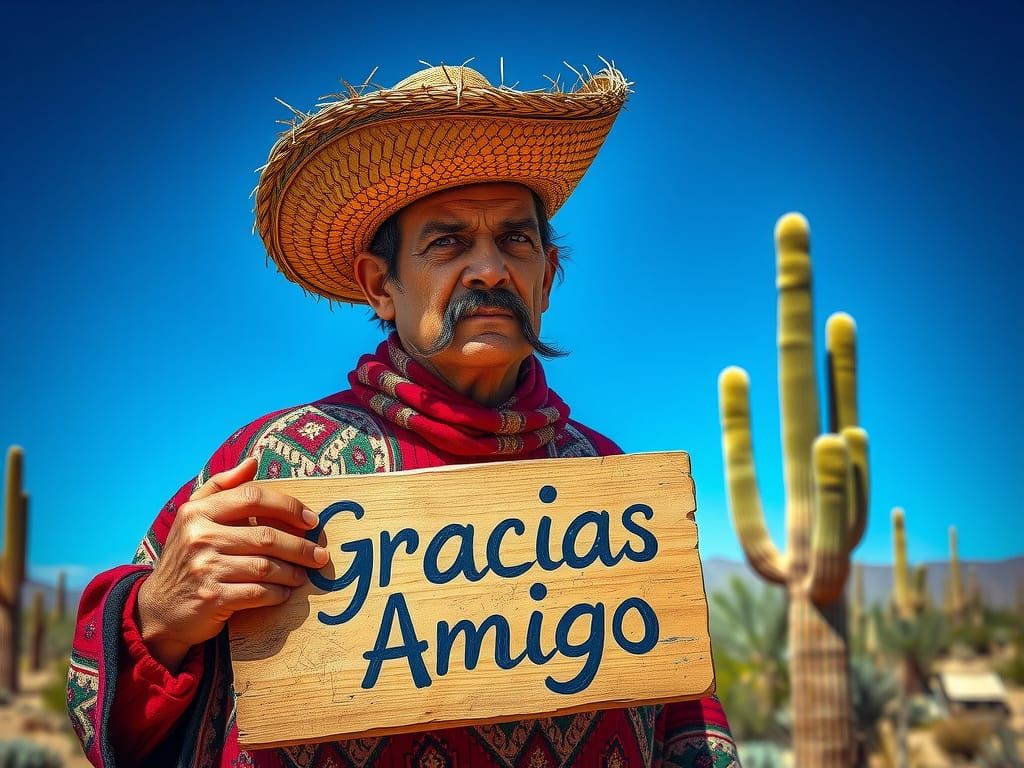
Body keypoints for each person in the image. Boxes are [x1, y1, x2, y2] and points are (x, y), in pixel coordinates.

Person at [68, 61, 738, 768]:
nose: (488, 270)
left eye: (515, 240)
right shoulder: (272, 465)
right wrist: (159, 617)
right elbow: (108, 718)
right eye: (447, 243)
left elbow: (682, 707)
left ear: (548, 274)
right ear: (380, 285)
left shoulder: (613, 488)